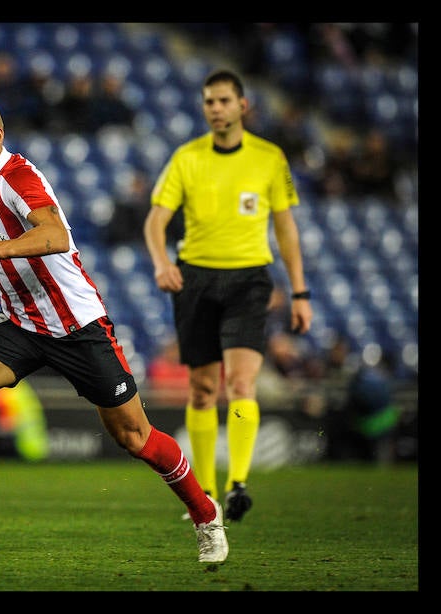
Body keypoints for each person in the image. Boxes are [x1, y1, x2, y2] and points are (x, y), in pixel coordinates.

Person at [0, 99, 228, 564]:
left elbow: (55, 236)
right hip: (21, 323)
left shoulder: (18, 178)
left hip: (76, 325)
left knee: (135, 437)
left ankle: (206, 514)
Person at [143, 69, 313, 522]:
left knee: (240, 383)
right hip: (195, 278)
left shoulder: (269, 158)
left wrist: (300, 291)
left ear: (242, 105)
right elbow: (155, 221)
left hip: (248, 280)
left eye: (223, 100)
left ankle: (238, 483)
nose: (215, 108)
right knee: (201, 390)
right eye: (208, 102)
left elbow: (286, 228)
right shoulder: (187, 158)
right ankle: (207, 495)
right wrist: (162, 263)